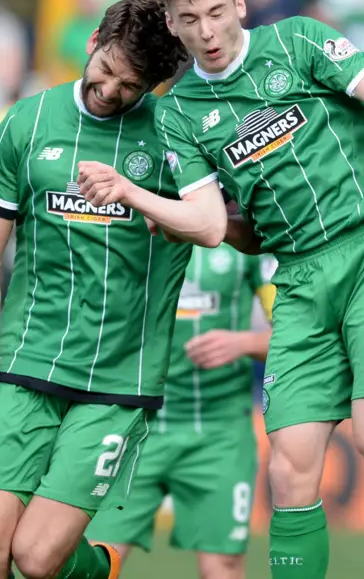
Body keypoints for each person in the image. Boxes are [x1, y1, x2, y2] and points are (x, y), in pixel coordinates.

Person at [76, 0, 364, 579]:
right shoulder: (180, 113)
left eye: (214, 11)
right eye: (189, 19)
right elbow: (213, 225)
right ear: (173, 24)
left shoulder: (298, 43)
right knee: (288, 471)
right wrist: (151, 204)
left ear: (238, 3)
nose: (207, 32)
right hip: (296, 279)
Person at [0, 0, 193, 579]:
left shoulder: (175, 139)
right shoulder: (25, 124)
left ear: (154, 84)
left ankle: (98, 567)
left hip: (118, 380)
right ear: (92, 41)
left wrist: (172, 215)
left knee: (34, 558)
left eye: (130, 86)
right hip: (28, 364)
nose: (109, 91)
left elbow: (228, 227)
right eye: (106, 70)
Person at [86, 243, 275, 579]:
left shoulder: (246, 244)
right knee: (96, 561)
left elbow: (300, 332)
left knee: (223, 568)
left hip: (219, 434)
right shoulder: (129, 232)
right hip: (134, 430)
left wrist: (242, 342)